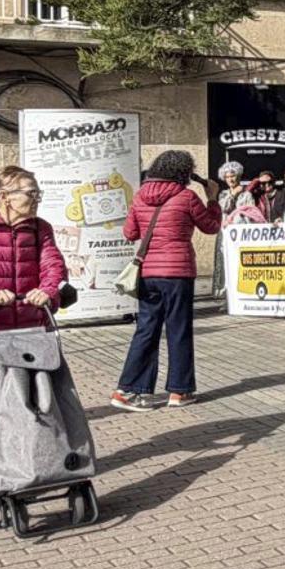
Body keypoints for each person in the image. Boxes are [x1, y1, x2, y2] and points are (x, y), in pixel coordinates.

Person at [111, 151, 222, 412]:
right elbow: (211, 226)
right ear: (184, 172)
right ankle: (179, 391)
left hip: (148, 273)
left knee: (146, 330)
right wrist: (213, 199)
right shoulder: (187, 196)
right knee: (178, 330)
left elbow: (130, 233)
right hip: (178, 272)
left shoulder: (140, 196)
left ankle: (128, 390)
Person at [0, 166, 66, 330]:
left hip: (34, 328)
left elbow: (54, 266)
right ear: (4, 196)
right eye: (31, 193)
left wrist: (48, 291)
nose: (37, 199)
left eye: (38, 194)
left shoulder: (41, 228)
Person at [212, 161, 252, 297]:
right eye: (228, 177)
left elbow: (250, 212)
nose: (231, 179)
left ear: (238, 176)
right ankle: (224, 289)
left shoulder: (247, 194)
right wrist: (233, 194)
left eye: (233, 176)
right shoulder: (223, 194)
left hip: (240, 232)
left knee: (238, 260)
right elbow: (223, 207)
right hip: (226, 231)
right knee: (224, 259)